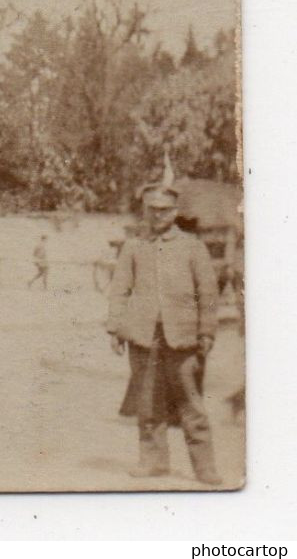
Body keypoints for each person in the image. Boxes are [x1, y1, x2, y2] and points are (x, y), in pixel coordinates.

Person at [107, 181, 222, 485]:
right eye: (151, 210)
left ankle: (205, 467)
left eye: (163, 210)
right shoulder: (134, 246)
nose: (157, 215)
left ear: (175, 212)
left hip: (183, 338)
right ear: (145, 211)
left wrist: (207, 331)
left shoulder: (192, 247)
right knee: (148, 403)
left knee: (191, 404)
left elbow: (208, 293)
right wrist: (116, 328)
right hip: (143, 337)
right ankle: (153, 461)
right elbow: (119, 289)